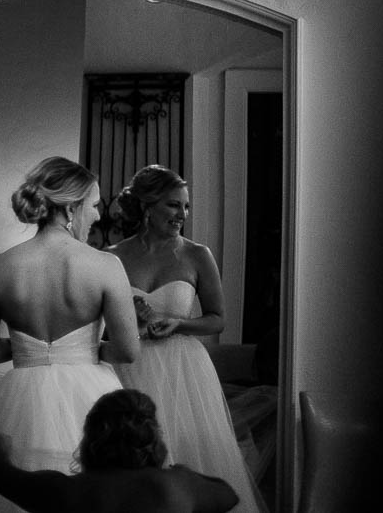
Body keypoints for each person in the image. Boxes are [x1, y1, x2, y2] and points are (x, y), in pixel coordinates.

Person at [0, 156, 141, 513]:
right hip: (91, 394)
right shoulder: (105, 265)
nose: (97, 215)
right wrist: (84, 349)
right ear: (71, 207)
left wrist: (27, 348)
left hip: (20, 395)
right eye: (93, 206)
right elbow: (127, 350)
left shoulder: (0, 265)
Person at [107, 166, 266, 513]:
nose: (183, 215)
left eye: (186, 206)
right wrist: (128, 319)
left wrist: (176, 323)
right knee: (132, 461)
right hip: (128, 368)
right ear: (147, 206)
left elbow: (217, 319)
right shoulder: (112, 256)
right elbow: (103, 326)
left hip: (184, 371)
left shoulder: (197, 255)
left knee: (185, 455)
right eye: (173, 205)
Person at [0, 388, 238, 513]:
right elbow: (229, 496)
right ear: (152, 435)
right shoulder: (177, 484)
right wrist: (184, 472)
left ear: (92, 436)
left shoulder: (65, 490)